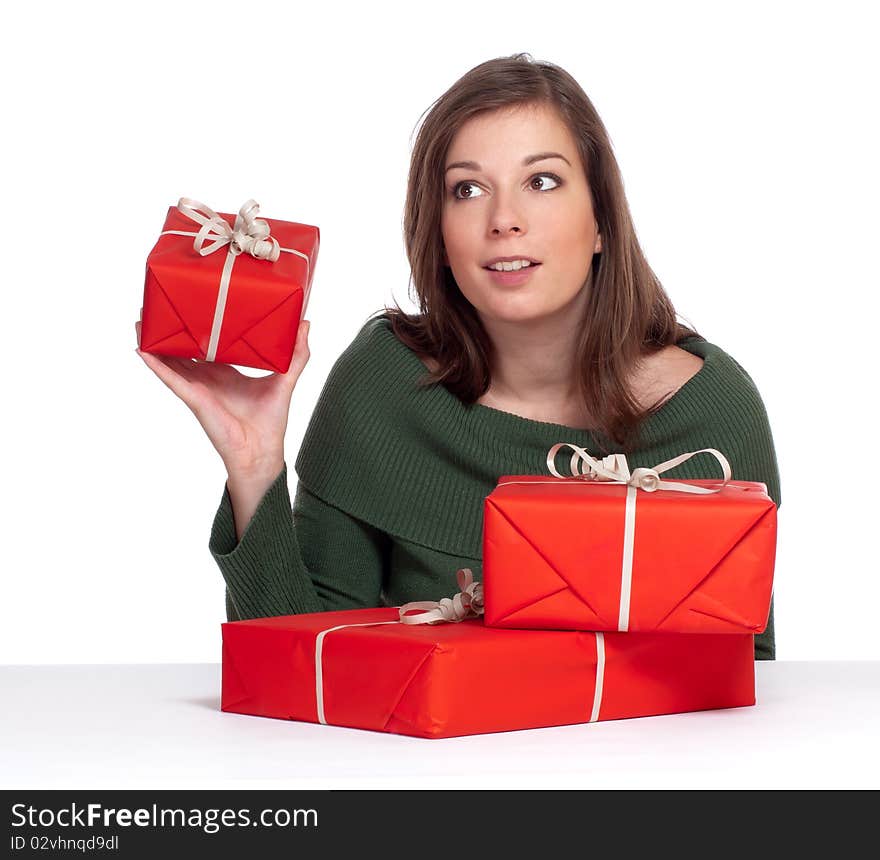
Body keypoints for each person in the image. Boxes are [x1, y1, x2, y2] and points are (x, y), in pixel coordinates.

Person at [136, 53, 781, 660]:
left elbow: (741, 679)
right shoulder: (383, 383)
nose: (504, 219)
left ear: (602, 220)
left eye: (542, 181)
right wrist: (253, 465)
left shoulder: (709, 419)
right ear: (439, 236)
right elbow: (304, 667)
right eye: (468, 191)